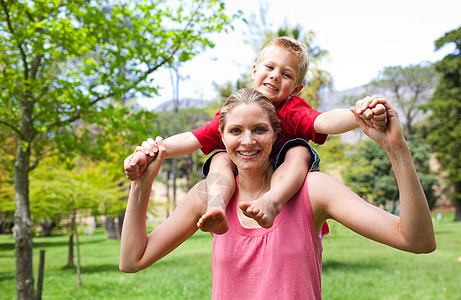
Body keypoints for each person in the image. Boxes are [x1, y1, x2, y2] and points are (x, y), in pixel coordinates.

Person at [119, 88, 436, 299]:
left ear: (276, 133)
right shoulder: (209, 195)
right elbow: (133, 260)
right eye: (235, 131)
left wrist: (397, 151)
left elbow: (417, 240)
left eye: (259, 129)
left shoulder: (313, 189)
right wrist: (142, 184)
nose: (247, 141)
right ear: (221, 137)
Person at [124, 36, 387, 234]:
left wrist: (357, 115)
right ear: (254, 71)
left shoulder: (293, 110)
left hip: (282, 178)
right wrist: (156, 150)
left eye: (286, 74)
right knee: (219, 159)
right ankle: (215, 207)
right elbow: (194, 138)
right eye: (269, 68)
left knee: (299, 151)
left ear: (296, 88)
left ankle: (272, 201)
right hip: (246, 174)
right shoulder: (237, 111)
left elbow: (324, 121)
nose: (274, 76)